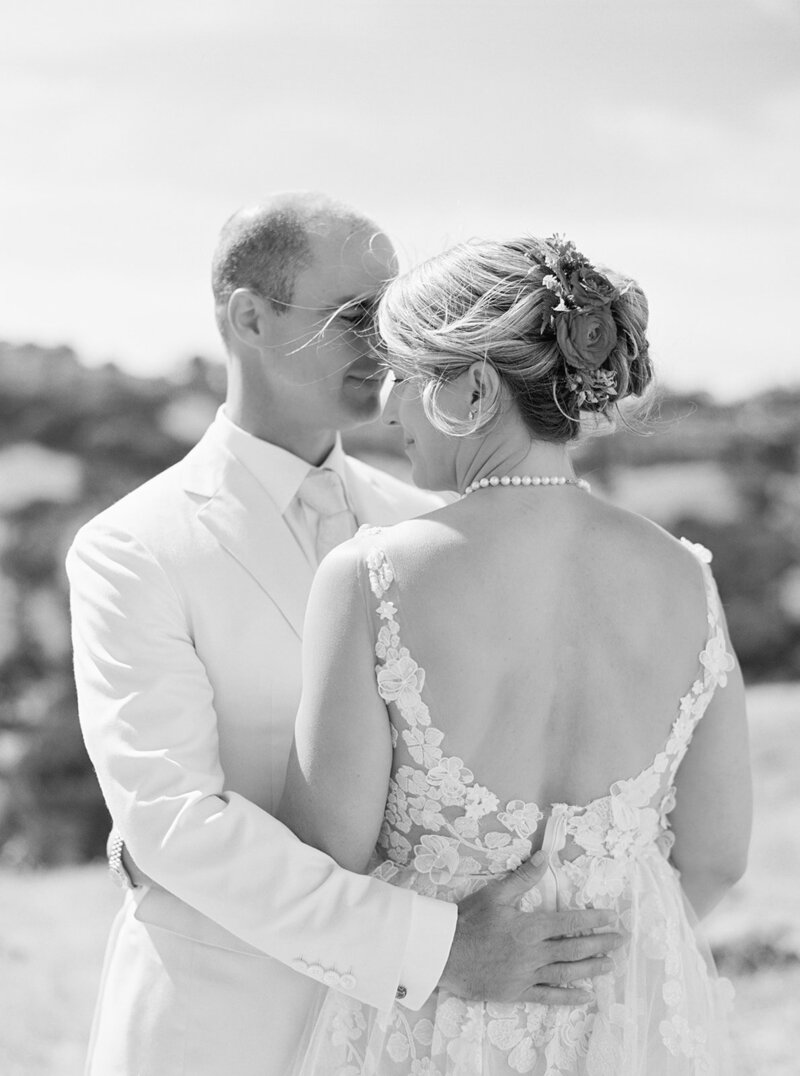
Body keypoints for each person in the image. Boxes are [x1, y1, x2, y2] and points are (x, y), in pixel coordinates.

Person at [67, 201, 623, 1076]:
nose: (388, 344)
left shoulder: (434, 522)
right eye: (355, 318)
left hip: (421, 1041)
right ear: (249, 317)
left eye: (396, 315)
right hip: (220, 1027)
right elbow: (172, 821)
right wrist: (438, 947)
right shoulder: (130, 549)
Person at [280, 234, 752, 1074]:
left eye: (408, 377)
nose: (389, 411)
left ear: (473, 386)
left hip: (432, 1025)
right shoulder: (686, 577)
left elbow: (327, 862)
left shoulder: (370, 576)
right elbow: (716, 860)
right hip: (624, 1021)